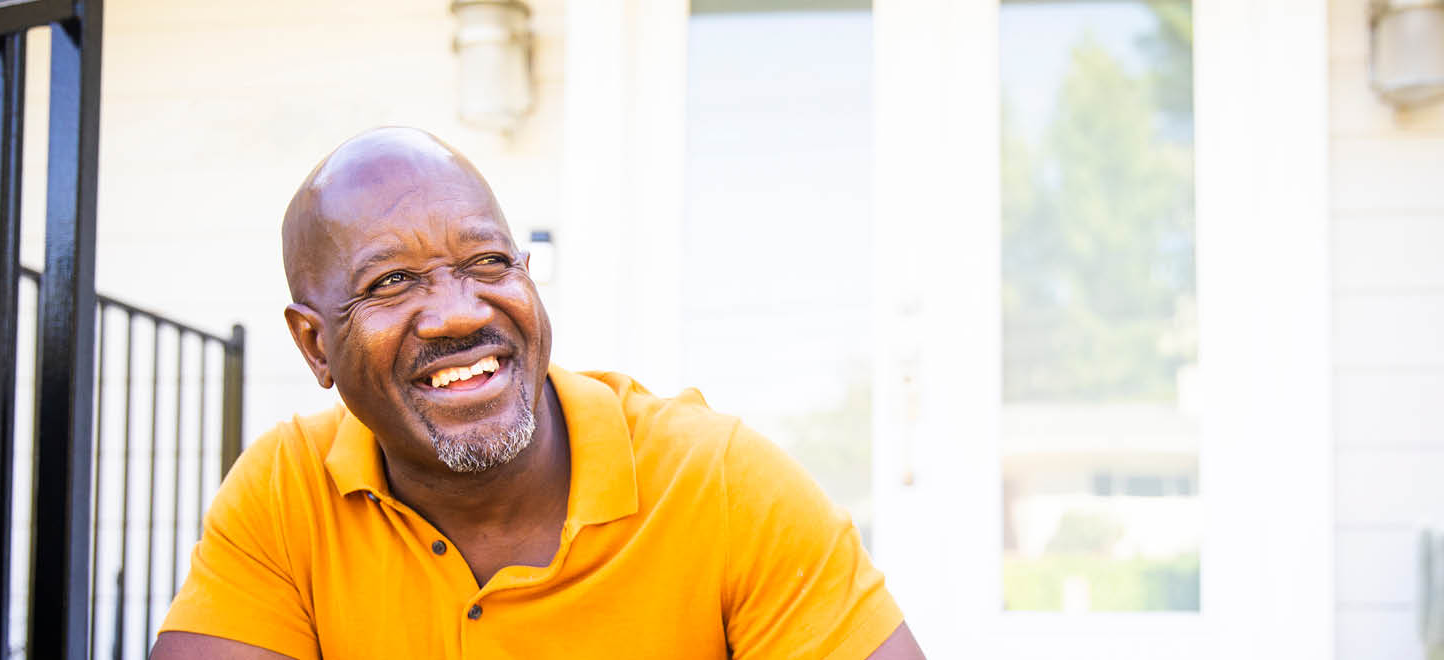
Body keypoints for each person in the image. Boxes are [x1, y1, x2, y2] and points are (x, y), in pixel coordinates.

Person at [149, 127, 925, 659]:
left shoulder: (721, 482)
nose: (459, 310)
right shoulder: (288, 490)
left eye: (487, 262)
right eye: (391, 281)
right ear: (315, 344)